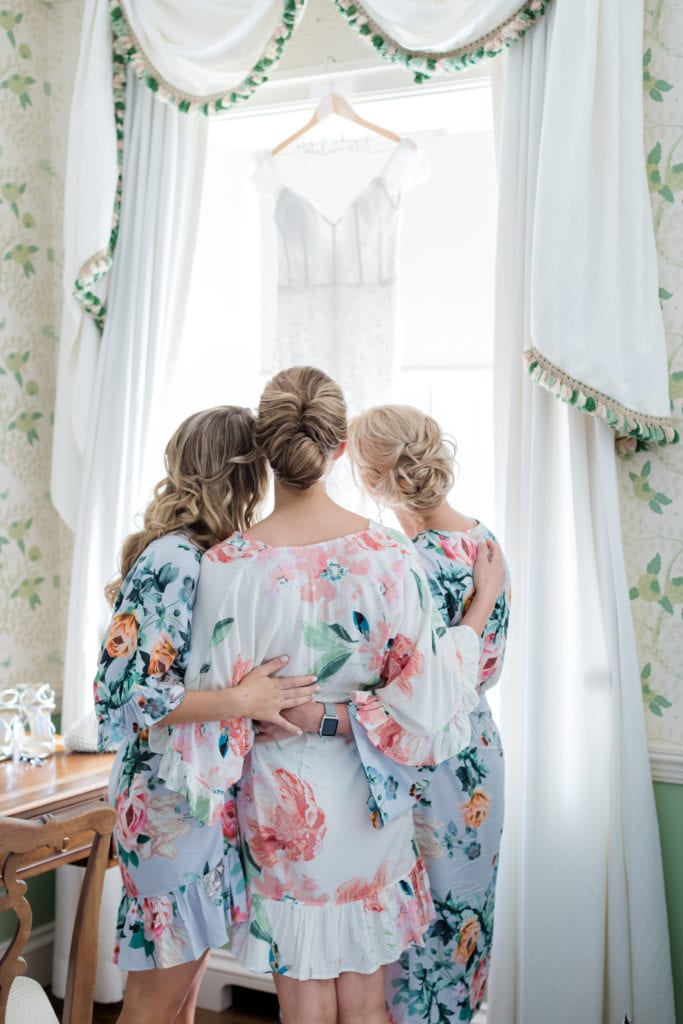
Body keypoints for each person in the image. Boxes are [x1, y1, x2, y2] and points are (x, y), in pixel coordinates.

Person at [174, 368, 505, 1024]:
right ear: (339, 449)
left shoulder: (229, 565)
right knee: (365, 1003)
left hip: (278, 801)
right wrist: (477, 612)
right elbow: (430, 697)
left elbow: (211, 705)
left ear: (265, 447)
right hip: (368, 798)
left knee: (302, 1000)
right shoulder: (387, 553)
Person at [94, 406, 319, 1024]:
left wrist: (251, 708)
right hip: (167, 801)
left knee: (182, 995)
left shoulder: (213, 555)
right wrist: (240, 702)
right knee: (154, 1002)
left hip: (200, 797)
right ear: (244, 477)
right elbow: (123, 691)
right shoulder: (174, 558)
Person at [346, 404, 511, 1023]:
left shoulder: (405, 559)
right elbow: (486, 669)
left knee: (417, 919)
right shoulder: (484, 541)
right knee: (465, 916)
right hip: (479, 750)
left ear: (376, 474)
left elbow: (418, 685)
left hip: (427, 756)